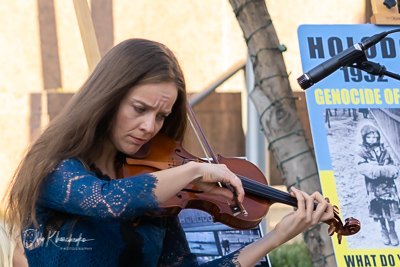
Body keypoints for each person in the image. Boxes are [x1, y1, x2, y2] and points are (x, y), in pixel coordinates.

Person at [4, 38, 334, 266]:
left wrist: (275, 237)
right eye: (139, 108)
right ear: (107, 99)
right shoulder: (56, 169)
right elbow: (107, 201)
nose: (150, 127)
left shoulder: (157, 194)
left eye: (161, 116)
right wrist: (194, 170)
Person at [355, 124, 400, 246]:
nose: (372, 140)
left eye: (374, 137)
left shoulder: (384, 150)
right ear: (364, 138)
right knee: (379, 210)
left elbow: (394, 169)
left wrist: (379, 169)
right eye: (369, 137)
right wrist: (383, 170)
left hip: (388, 187)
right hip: (374, 188)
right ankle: (384, 230)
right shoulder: (362, 152)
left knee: (390, 209)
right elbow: (367, 170)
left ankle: (392, 231)